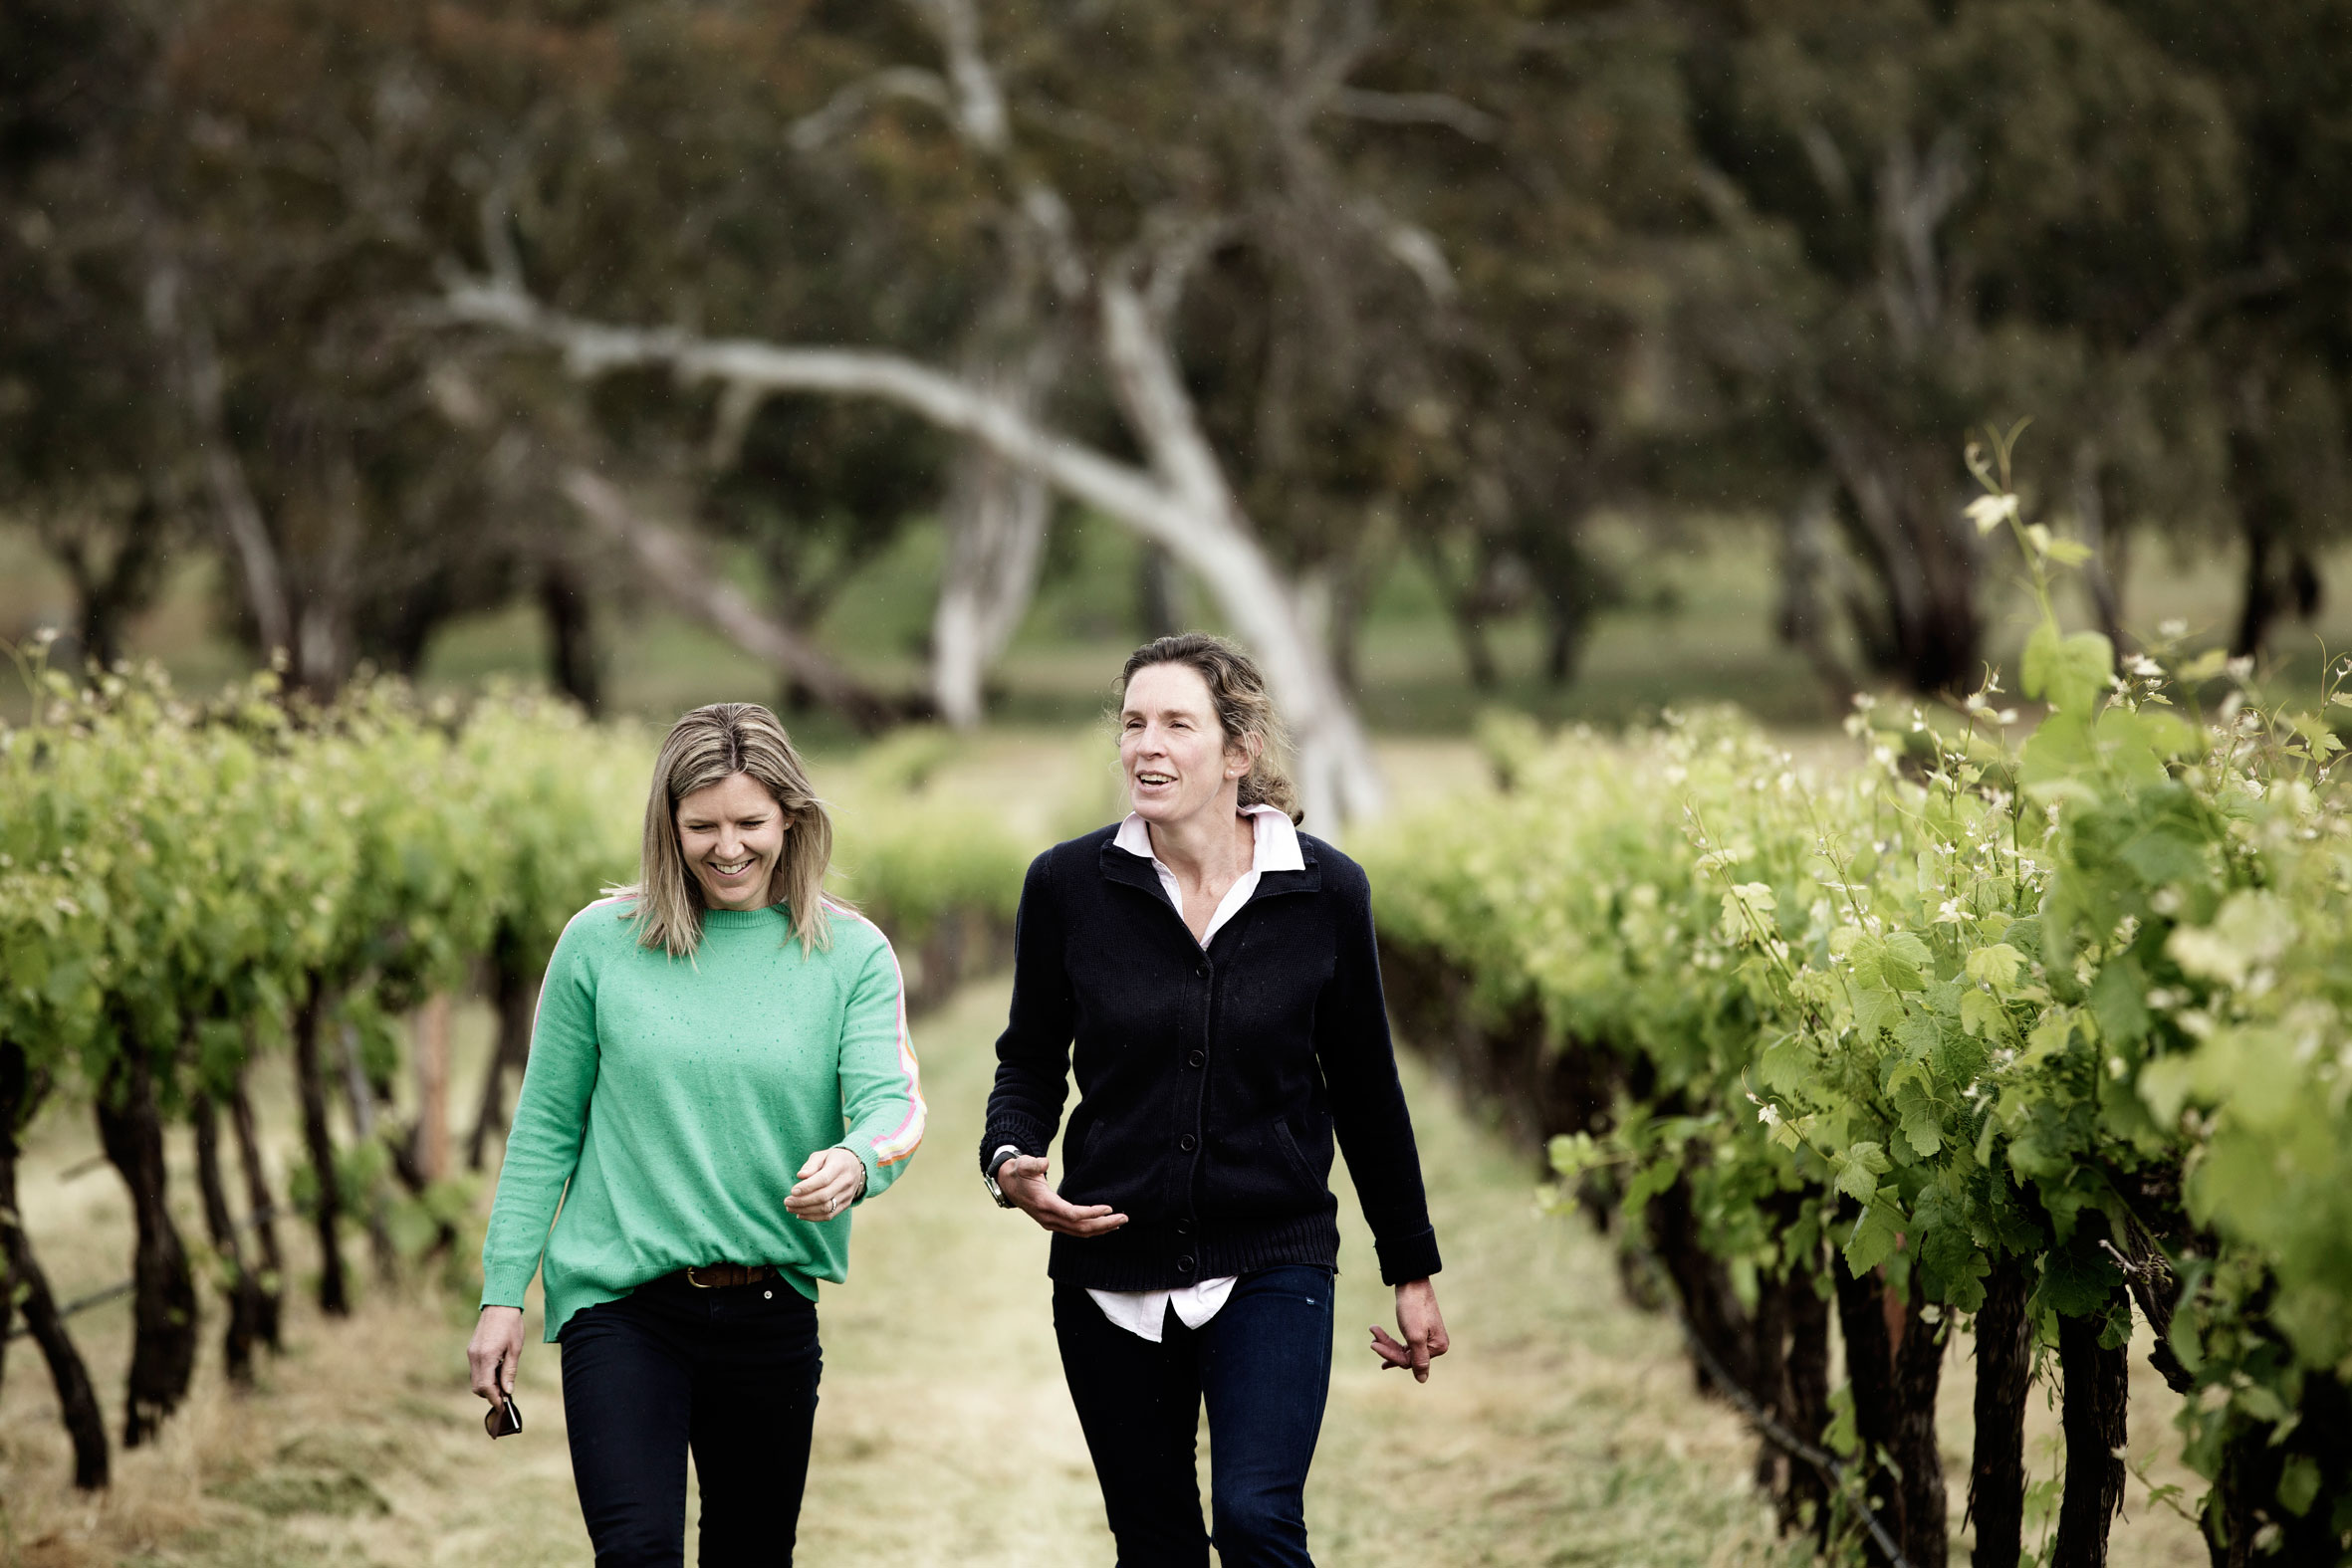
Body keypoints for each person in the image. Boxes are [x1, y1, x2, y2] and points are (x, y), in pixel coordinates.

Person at [980, 632, 1448, 1568]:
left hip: (1271, 1255)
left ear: (1237, 751)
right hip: (1107, 1267)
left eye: (1175, 724)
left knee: (1253, 1515)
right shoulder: (1067, 885)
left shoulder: (1325, 892)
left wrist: (1412, 1268)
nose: (1146, 745)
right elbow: (1029, 1059)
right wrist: (1010, 1159)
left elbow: (1365, 1091)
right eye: (1132, 723)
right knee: (1155, 1547)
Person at [468, 702, 923, 1568]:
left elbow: (893, 1104)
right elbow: (544, 1131)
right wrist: (502, 1293)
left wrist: (856, 1161)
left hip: (769, 1309)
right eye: (701, 825)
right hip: (622, 1306)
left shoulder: (853, 954)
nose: (728, 847)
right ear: (667, 826)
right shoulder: (598, 945)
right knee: (637, 1551)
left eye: (751, 822)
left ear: (791, 817)